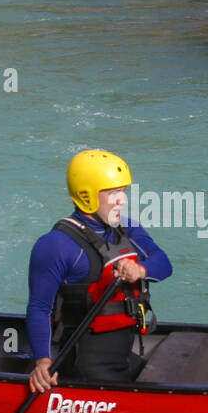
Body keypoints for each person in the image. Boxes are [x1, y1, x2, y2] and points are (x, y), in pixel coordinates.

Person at [26, 150, 172, 391]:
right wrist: (42, 362)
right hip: (85, 367)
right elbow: (39, 308)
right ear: (87, 196)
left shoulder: (128, 229)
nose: (122, 201)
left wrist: (140, 270)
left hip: (121, 357)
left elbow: (164, 264)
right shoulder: (55, 245)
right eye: (113, 193)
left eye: (123, 192)